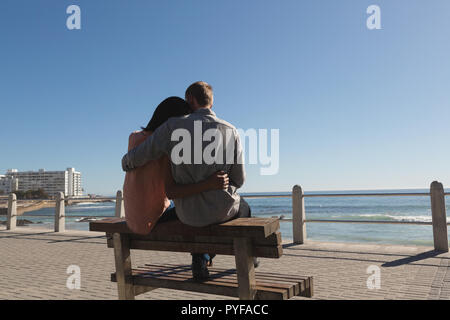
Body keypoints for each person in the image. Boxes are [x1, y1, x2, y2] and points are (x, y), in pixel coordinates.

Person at [122, 82, 253, 280]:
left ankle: (202, 256)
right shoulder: (231, 131)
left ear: (191, 99)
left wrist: (127, 162)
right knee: (244, 208)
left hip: (188, 215)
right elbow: (239, 180)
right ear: (210, 101)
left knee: (197, 218)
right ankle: (244, 256)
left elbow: (134, 158)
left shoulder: (172, 127)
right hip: (221, 210)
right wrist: (216, 185)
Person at [123, 96, 230, 235]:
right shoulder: (169, 146)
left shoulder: (134, 136)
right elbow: (172, 191)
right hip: (151, 218)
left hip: (132, 215)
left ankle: (202, 257)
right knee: (200, 210)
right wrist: (210, 183)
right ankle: (202, 257)